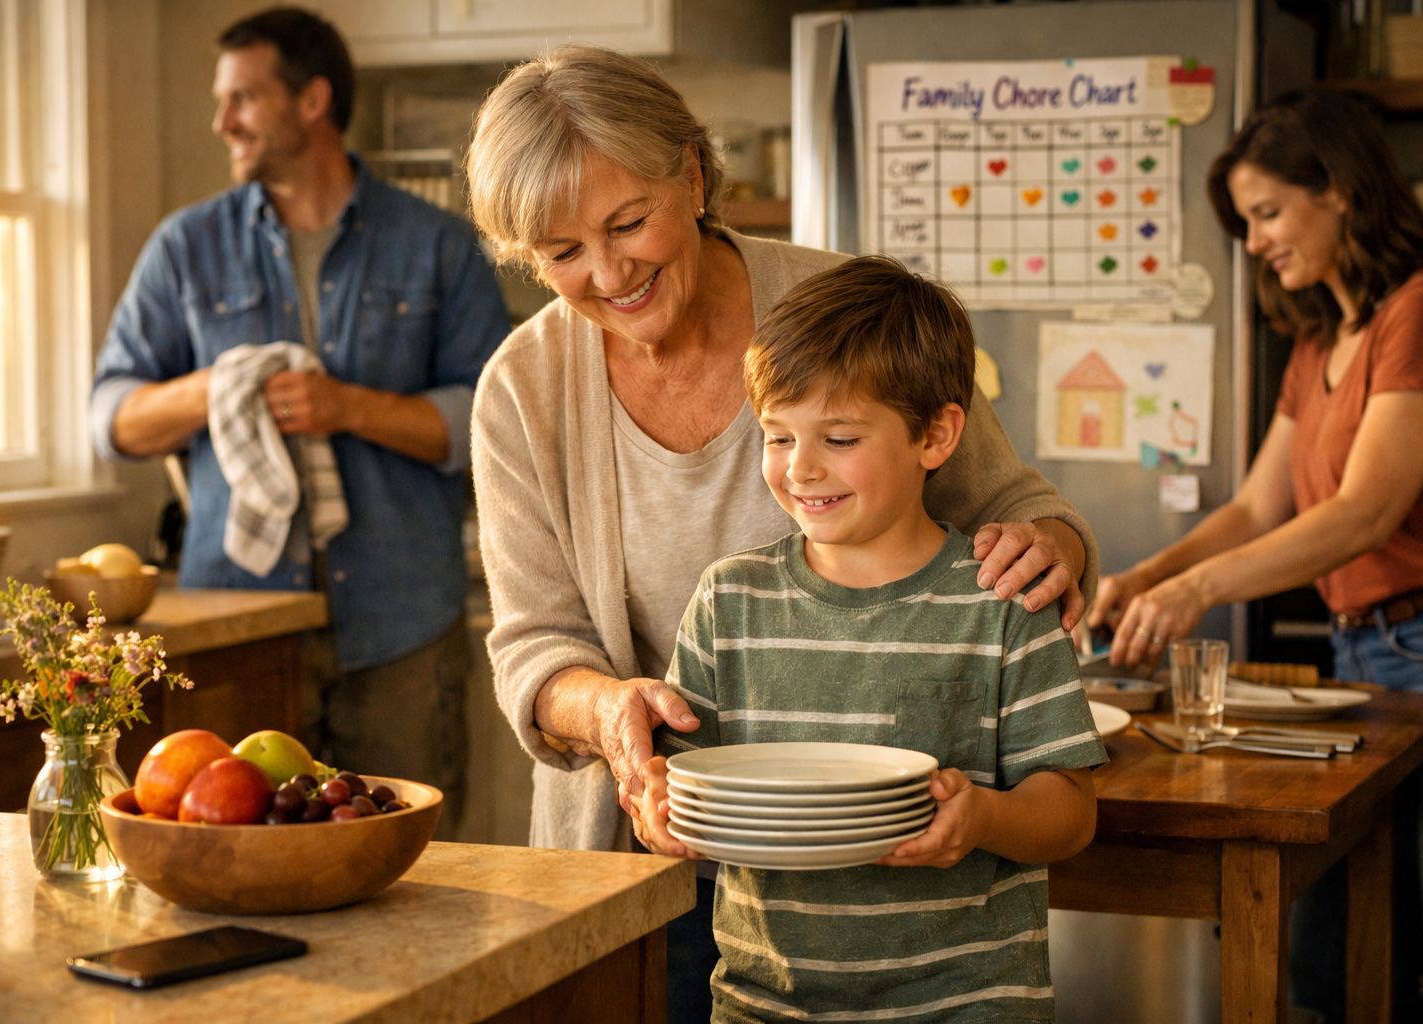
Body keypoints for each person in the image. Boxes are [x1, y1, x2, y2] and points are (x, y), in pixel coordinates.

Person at [465, 44, 1099, 1023]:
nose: (607, 271)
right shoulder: (520, 388)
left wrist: (1054, 544)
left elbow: (1012, 504)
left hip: (896, 863)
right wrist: (610, 714)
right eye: (560, 253)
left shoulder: (837, 313)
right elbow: (534, 645)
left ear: (691, 172)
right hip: (666, 846)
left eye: (629, 222)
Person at [1087, 87, 1423, 1023]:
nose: (1257, 241)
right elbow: (1257, 506)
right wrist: (1145, 577)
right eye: (1247, 223)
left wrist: (1194, 590)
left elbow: (1364, 513)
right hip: (1365, 658)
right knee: (1354, 943)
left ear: (1342, 189)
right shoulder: (1323, 339)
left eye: (1269, 212)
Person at [632, 255, 1104, 1021]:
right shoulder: (730, 600)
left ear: (938, 435)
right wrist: (657, 808)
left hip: (966, 1007)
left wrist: (982, 817)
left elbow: (1071, 810)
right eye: (777, 436)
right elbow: (684, 787)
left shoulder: (1004, 599)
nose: (800, 468)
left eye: (840, 438)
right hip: (765, 1007)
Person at [89, 7, 509, 840]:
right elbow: (113, 419)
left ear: (313, 99)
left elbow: (497, 420)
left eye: (243, 98)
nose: (222, 122)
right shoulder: (186, 248)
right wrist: (217, 388)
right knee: (232, 857)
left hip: (401, 625)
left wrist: (349, 407)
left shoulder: (437, 245)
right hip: (239, 624)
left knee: (411, 863)